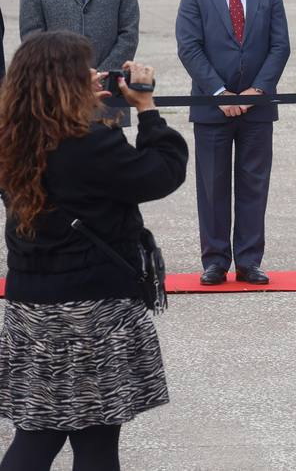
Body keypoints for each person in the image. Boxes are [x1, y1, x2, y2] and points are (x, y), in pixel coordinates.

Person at [0, 32, 187, 471]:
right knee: (91, 442)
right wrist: (145, 106)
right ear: (60, 81)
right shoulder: (88, 143)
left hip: (31, 306)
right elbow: (162, 173)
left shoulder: (13, 138)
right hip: (92, 310)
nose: (93, 72)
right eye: (82, 68)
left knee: (39, 433)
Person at [175, 0, 291, 287]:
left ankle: (249, 261)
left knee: (254, 183)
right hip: (212, 109)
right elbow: (189, 47)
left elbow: (280, 45)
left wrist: (259, 91)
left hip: (257, 109)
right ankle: (214, 261)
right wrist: (219, 94)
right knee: (212, 185)